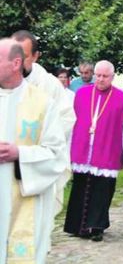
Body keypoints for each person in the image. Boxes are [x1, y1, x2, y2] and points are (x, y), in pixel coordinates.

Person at [0, 38, 67, 263]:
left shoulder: (42, 103)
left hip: (24, 197)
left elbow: (57, 154)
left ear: (15, 63)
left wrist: (20, 154)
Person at [64, 60, 123, 242]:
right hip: (83, 149)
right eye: (98, 75)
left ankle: (97, 226)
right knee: (80, 187)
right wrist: (65, 149)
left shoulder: (121, 98)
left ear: (112, 77)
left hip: (106, 150)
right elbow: (70, 124)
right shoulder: (82, 94)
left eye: (105, 76)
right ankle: (78, 226)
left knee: (102, 191)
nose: (100, 79)